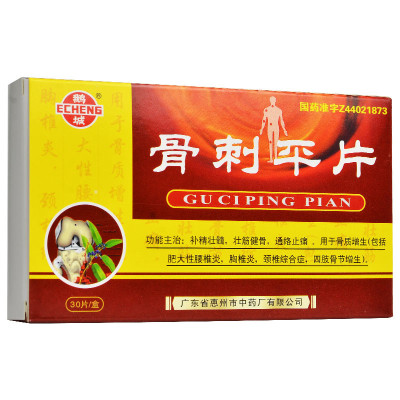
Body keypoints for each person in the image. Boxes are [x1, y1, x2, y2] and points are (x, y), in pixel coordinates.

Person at [260, 96, 288, 163]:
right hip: (270, 127)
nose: (272, 101)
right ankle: (271, 158)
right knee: (270, 142)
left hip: (276, 127)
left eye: (273, 100)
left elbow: (281, 120)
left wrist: (284, 129)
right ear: (270, 101)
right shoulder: (266, 109)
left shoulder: (278, 110)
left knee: (275, 142)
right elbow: (264, 120)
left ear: (275, 101)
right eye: (271, 100)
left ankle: (275, 158)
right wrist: (262, 128)